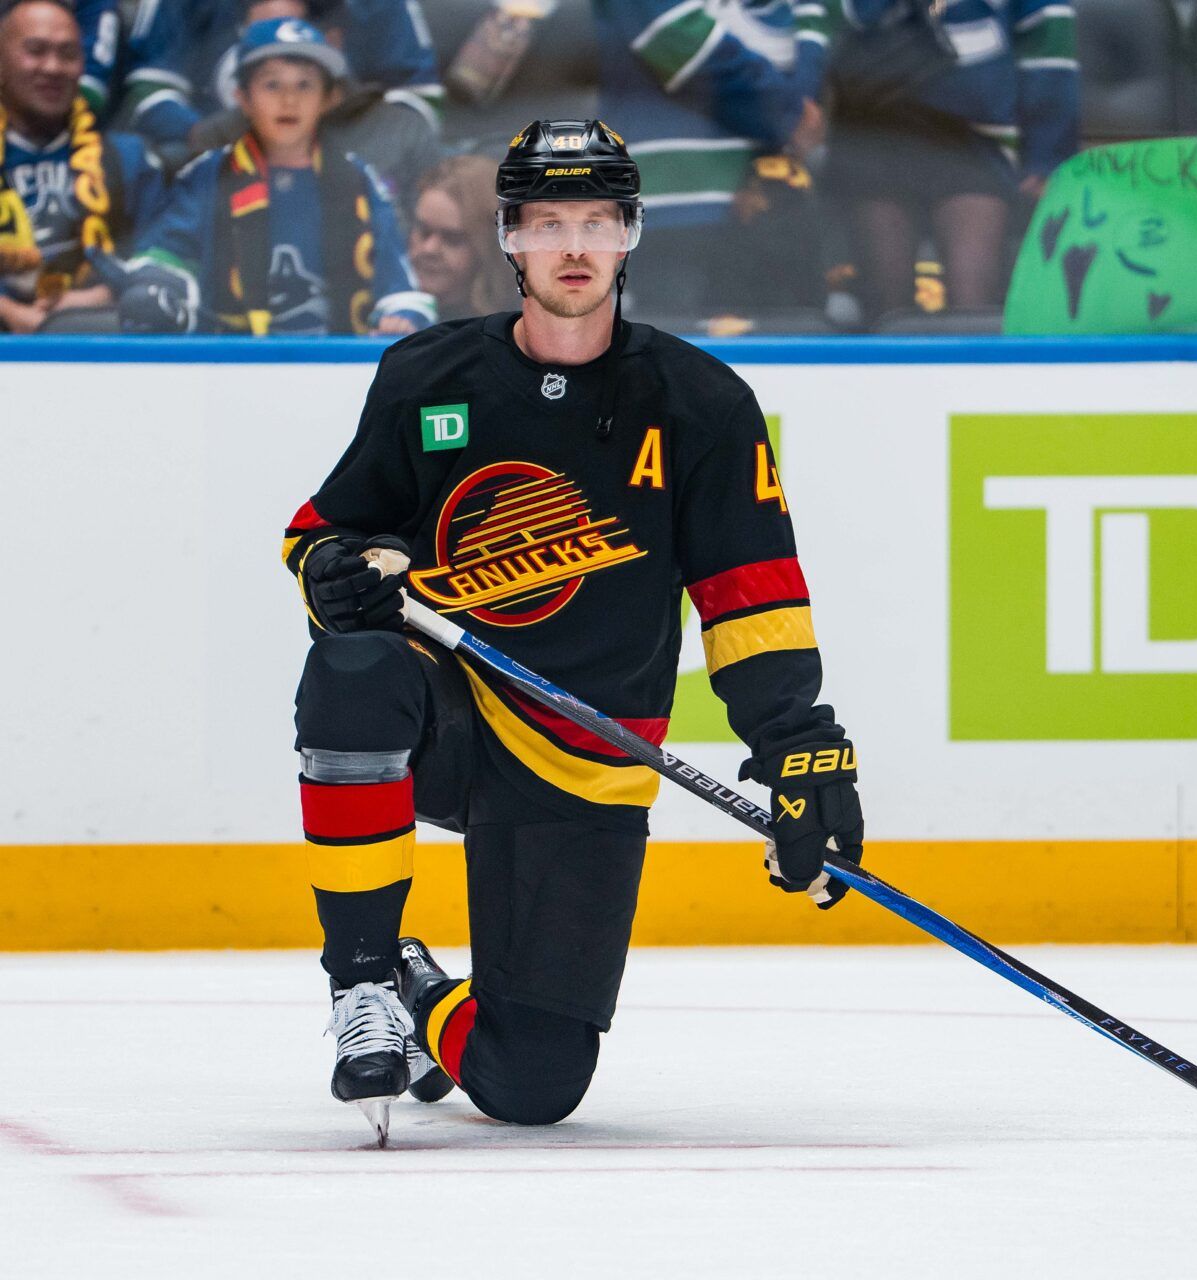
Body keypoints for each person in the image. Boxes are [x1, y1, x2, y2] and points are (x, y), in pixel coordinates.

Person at [278, 119, 865, 1139]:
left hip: (585, 760)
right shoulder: (426, 379)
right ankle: (362, 981)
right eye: (549, 222)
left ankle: (421, 990)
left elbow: (751, 596)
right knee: (356, 664)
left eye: (597, 219)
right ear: (510, 237)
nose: (575, 246)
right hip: (452, 719)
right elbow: (322, 534)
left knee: (532, 1083)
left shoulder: (702, 405)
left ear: (632, 233)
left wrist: (800, 746)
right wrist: (332, 577)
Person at [114, 17, 432, 335]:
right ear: (242, 98)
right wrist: (158, 286)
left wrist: (402, 314)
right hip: (230, 362)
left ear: (329, 98)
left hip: (336, 362)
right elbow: (165, 255)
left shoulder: (359, 180)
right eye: (272, 84)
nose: (289, 100)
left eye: (304, 85)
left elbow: (398, 283)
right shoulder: (210, 175)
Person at [826, 0, 1080, 317]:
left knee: (973, 306)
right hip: (875, 129)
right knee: (887, 310)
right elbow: (832, 22)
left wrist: (1047, 157)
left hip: (973, 137)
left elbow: (1048, 50)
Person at [592, 0, 831, 311]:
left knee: (786, 345)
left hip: (777, 197)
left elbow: (813, 15)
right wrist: (787, 110)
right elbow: (672, 32)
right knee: (679, 347)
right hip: (681, 196)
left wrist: (793, 106)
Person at [124, 0, 443, 179]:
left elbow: (419, 103)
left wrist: (337, 150)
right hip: (230, 153)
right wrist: (222, 139)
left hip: (353, 153)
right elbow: (150, 91)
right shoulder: (218, 145)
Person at [0, 0, 166, 334]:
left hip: (101, 352)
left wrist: (96, 298)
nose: (53, 67)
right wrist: (9, 312)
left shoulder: (128, 160)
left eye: (68, 54)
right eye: (36, 50)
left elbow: (164, 258)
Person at [408, 153, 519, 321]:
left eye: (452, 239)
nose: (429, 249)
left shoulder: (512, 327)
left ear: (490, 244)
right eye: (424, 232)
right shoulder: (382, 307)